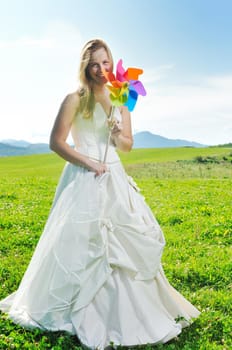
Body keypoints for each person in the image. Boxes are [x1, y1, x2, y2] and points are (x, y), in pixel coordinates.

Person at [0, 39, 200, 349]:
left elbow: (127, 145)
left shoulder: (122, 97)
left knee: (122, 244)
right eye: (94, 64)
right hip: (84, 175)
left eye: (106, 63)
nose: (101, 69)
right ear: (84, 67)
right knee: (83, 244)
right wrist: (90, 161)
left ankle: (132, 314)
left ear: (112, 63)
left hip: (115, 175)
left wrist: (118, 133)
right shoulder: (75, 99)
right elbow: (57, 142)